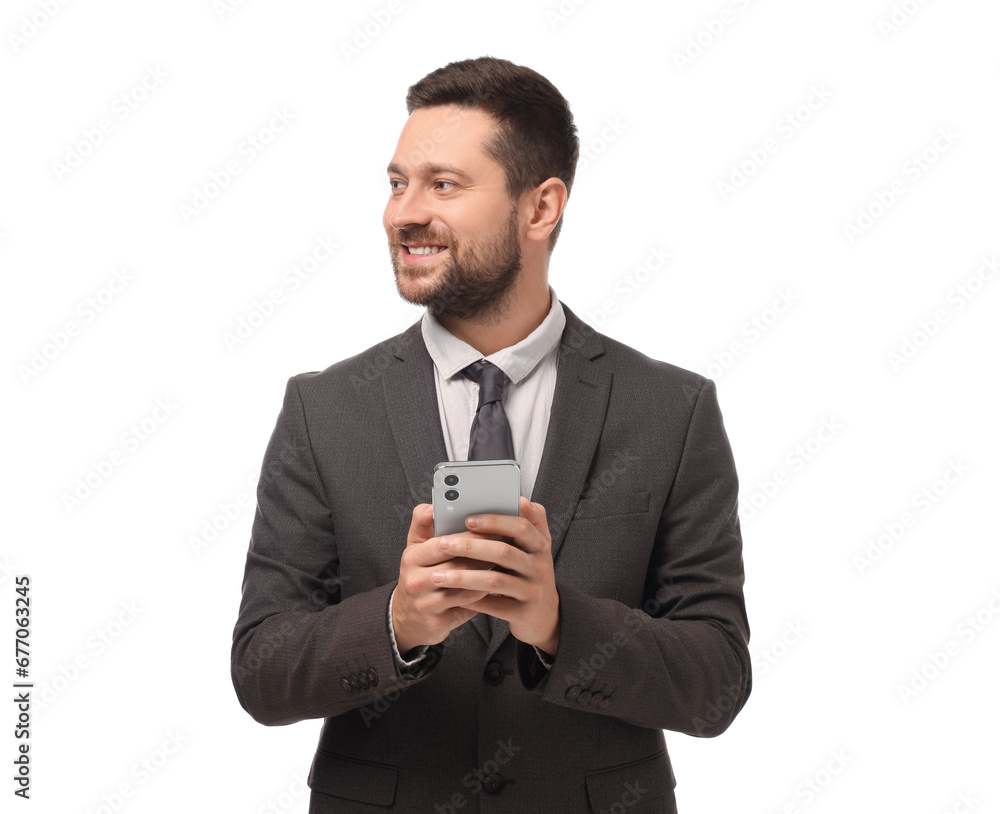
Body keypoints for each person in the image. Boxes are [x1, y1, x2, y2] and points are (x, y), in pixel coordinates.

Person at [231, 55, 751, 814]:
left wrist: (558, 623)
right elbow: (262, 672)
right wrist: (396, 622)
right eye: (397, 182)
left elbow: (716, 685)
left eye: (443, 184)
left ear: (540, 208)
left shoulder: (670, 409)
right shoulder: (325, 408)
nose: (402, 213)